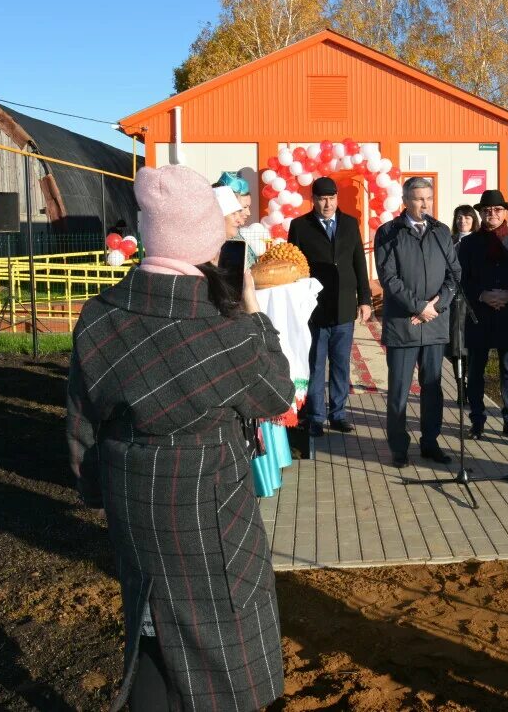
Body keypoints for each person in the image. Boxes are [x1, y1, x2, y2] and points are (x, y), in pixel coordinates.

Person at [67, 164, 295, 712]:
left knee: (150, 626)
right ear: (205, 241)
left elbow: (81, 419)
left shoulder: (99, 315)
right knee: (224, 638)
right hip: (208, 500)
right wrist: (253, 311)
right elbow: (277, 395)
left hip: (131, 497)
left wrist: (97, 491)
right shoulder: (224, 329)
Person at [375, 177, 461, 468]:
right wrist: (418, 306)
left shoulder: (441, 232)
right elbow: (389, 278)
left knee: (433, 387)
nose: (424, 204)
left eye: (428, 198)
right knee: (399, 388)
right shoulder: (389, 232)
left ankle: (430, 441)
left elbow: (454, 274)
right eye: (417, 199)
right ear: (406, 201)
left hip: (435, 323)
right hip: (404, 324)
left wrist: (438, 305)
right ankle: (399, 447)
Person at [288, 176, 372, 437]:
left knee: (340, 364)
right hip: (315, 309)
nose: (328, 204)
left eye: (332, 198)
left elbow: (359, 262)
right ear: (313, 200)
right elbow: (294, 266)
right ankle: (315, 416)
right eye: (322, 199)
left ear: (337, 198)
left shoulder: (349, 224)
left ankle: (338, 414)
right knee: (314, 364)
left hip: (344, 306)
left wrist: (365, 300)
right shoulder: (300, 226)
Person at [456, 189, 508, 440]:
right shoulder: (469, 244)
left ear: (505, 213)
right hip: (479, 315)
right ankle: (477, 420)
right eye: (487, 210)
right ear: (481, 213)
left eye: (497, 210)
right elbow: (461, 277)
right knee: (476, 371)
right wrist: (481, 294)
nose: (492, 214)